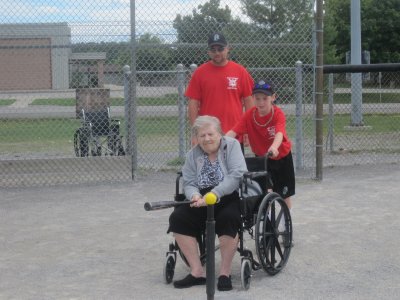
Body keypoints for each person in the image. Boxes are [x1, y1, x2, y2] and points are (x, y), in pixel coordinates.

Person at [168, 115, 247, 291]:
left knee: (229, 219)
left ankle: (224, 273)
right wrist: (195, 195)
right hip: (201, 198)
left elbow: (237, 175)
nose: (207, 139)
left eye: (210, 134)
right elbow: (188, 182)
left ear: (220, 133)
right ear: (197, 138)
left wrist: (214, 194)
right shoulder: (193, 154)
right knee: (178, 218)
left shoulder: (231, 146)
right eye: (202, 135)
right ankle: (197, 272)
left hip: (227, 195)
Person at [226, 80, 295, 211]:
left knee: (284, 193)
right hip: (262, 158)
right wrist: (219, 143)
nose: (261, 102)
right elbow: (233, 131)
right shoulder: (249, 115)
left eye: (265, 98)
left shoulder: (278, 114)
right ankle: (267, 221)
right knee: (263, 191)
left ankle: (285, 221)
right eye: (257, 99)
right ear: (252, 98)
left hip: (281, 157)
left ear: (273, 97)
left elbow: (280, 133)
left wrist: (274, 147)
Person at [185, 32, 254, 146]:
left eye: (220, 49)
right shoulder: (200, 73)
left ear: (227, 49)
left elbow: (249, 101)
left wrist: (248, 129)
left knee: (234, 164)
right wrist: (195, 133)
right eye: (213, 49)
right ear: (208, 51)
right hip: (208, 135)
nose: (217, 52)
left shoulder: (240, 71)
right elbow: (193, 103)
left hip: (235, 133)